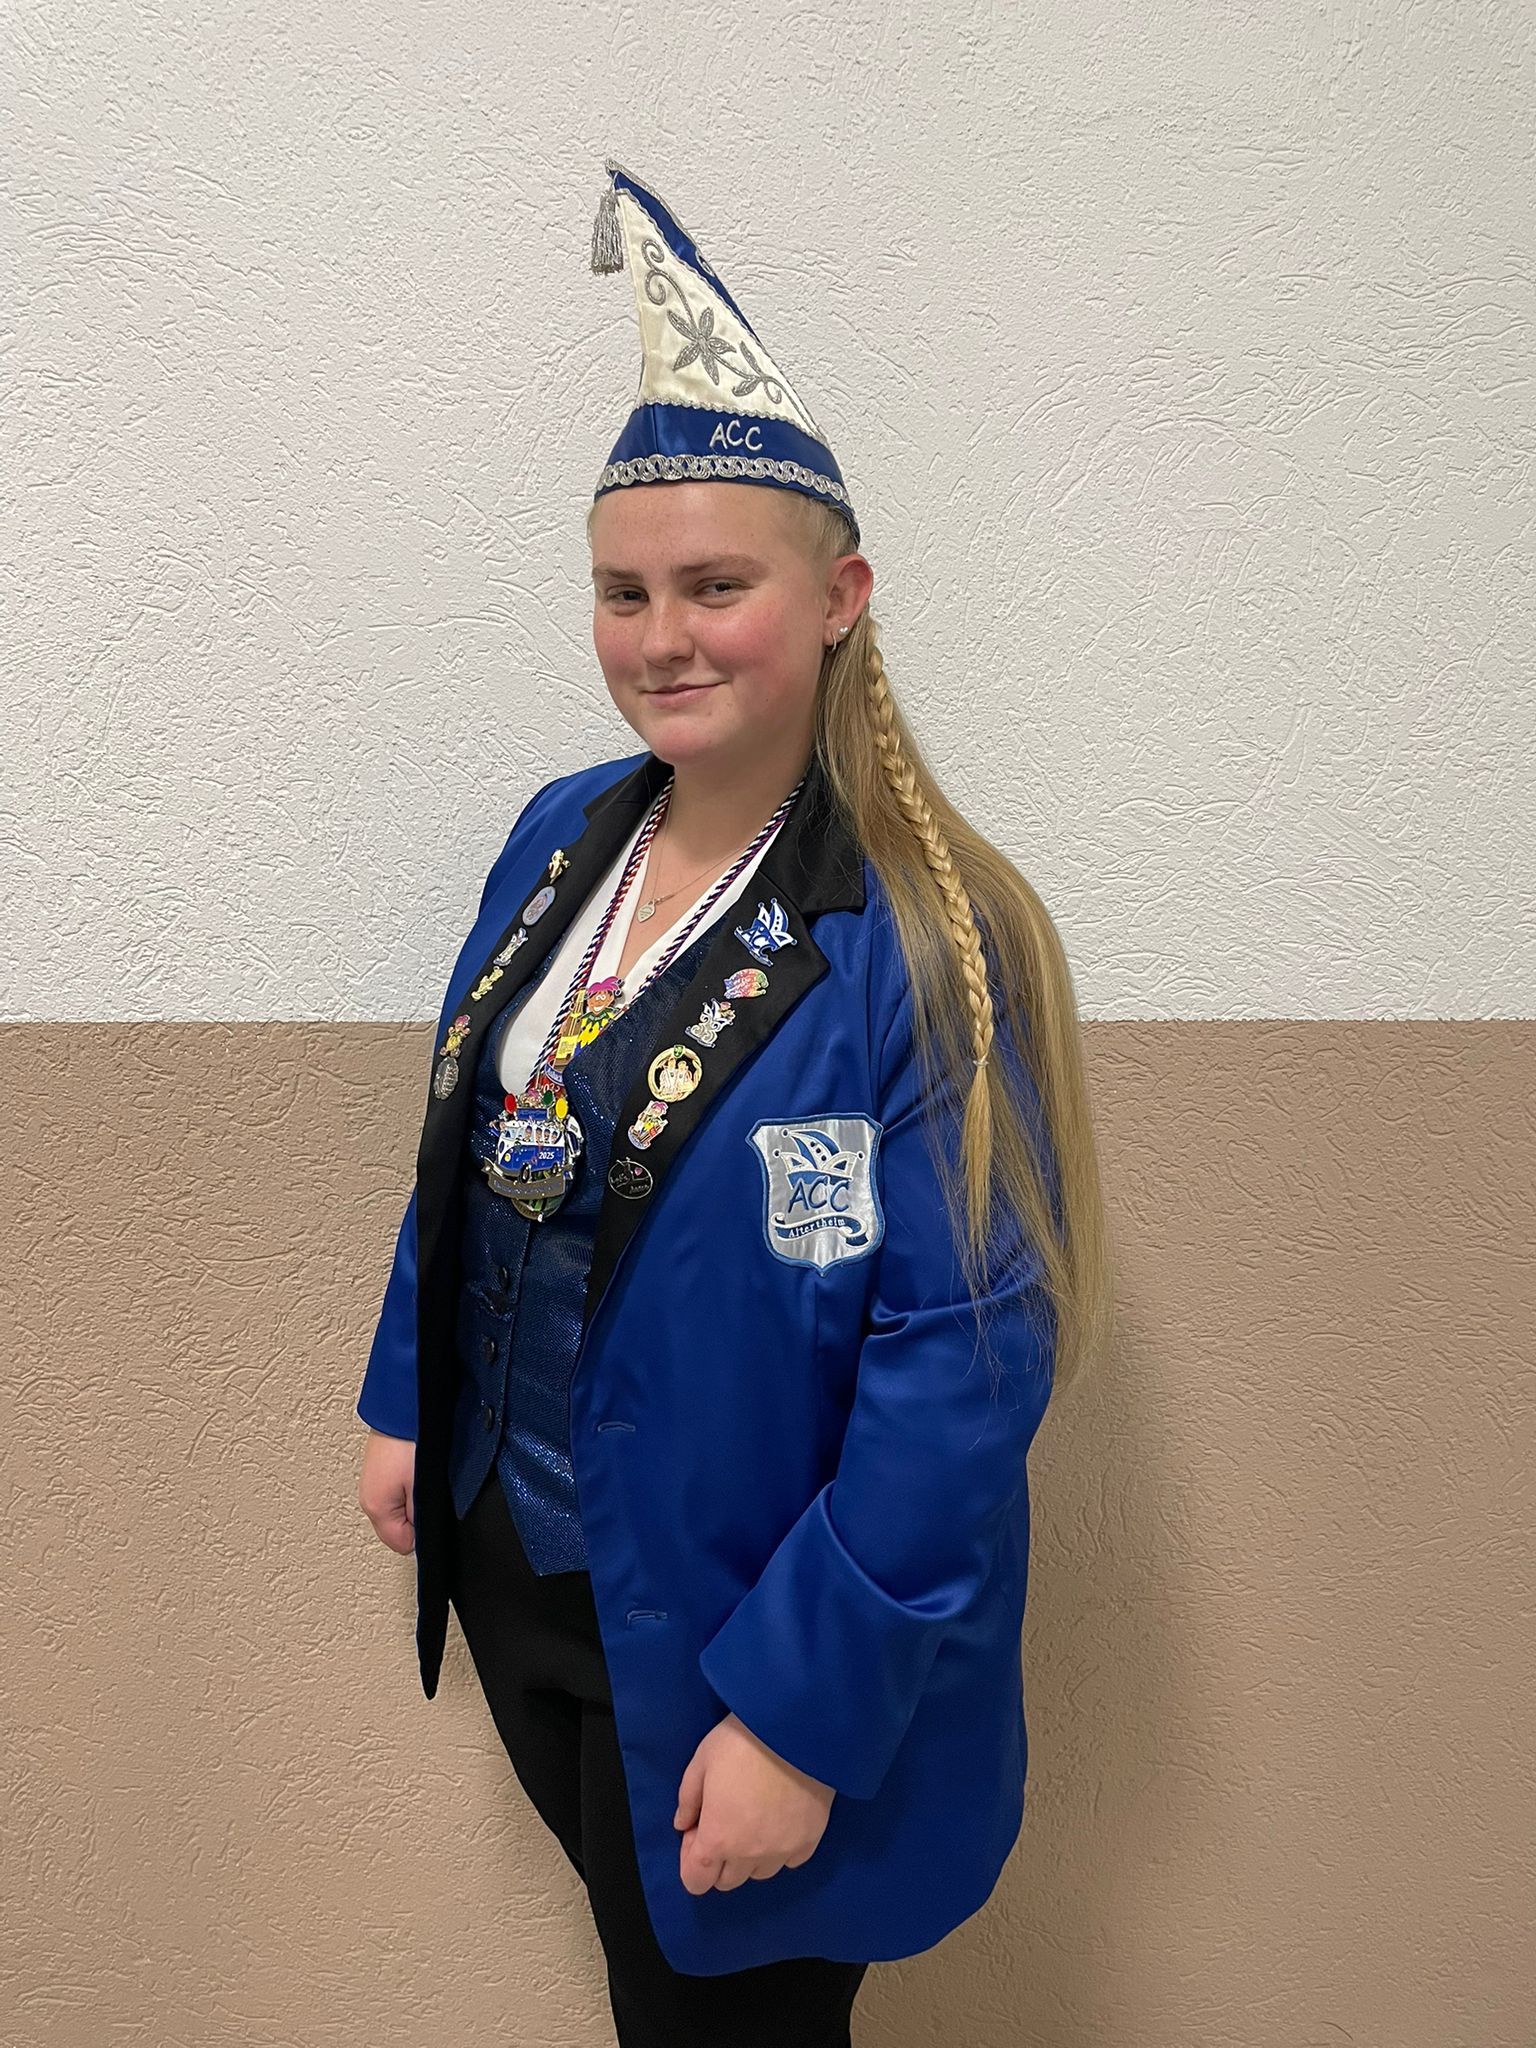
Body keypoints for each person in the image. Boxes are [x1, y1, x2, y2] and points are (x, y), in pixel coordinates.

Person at [355, 159, 1111, 2048]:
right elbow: (471, 1150)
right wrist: (404, 1396)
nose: (661, 636)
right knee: (650, 1997)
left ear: (839, 598)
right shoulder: (560, 839)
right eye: (624, 593)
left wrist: (799, 1714)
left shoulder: (928, 940)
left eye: (716, 587)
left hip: (748, 1628)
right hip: (533, 1577)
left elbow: (963, 1369)